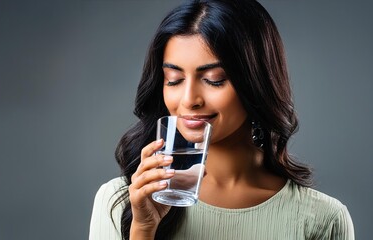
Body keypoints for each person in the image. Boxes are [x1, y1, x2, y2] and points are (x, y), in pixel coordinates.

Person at [89, 0, 354, 239]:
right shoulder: (121, 202)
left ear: (255, 83)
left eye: (214, 80)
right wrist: (143, 230)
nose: (189, 99)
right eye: (174, 80)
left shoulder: (322, 219)